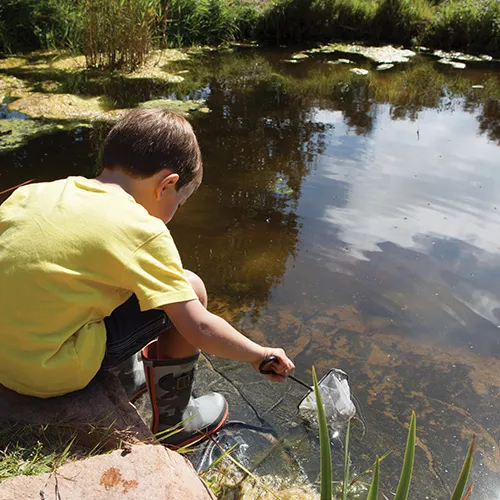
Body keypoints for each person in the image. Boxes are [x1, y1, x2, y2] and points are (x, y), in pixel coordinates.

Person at [0, 108, 295, 448]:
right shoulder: (143, 230)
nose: (175, 213)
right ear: (167, 184)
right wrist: (259, 355)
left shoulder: (34, 193)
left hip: (5, 359)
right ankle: (175, 422)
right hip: (50, 372)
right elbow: (198, 327)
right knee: (191, 289)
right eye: (180, 203)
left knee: (105, 277)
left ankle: (127, 378)